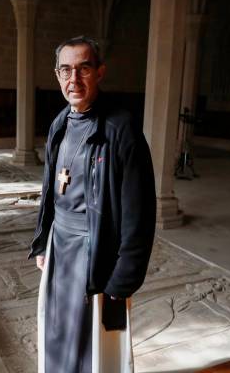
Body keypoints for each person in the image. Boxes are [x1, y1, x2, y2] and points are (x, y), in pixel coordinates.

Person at [29, 36, 156, 373]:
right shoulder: (60, 124)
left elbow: (139, 213)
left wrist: (123, 279)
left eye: (84, 69)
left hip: (97, 252)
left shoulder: (121, 129)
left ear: (100, 72)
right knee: (58, 331)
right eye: (66, 70)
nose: (74, 80)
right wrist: (43, 240)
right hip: (61, 248)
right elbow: (50, 192)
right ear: (57, 75)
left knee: (96, 347)